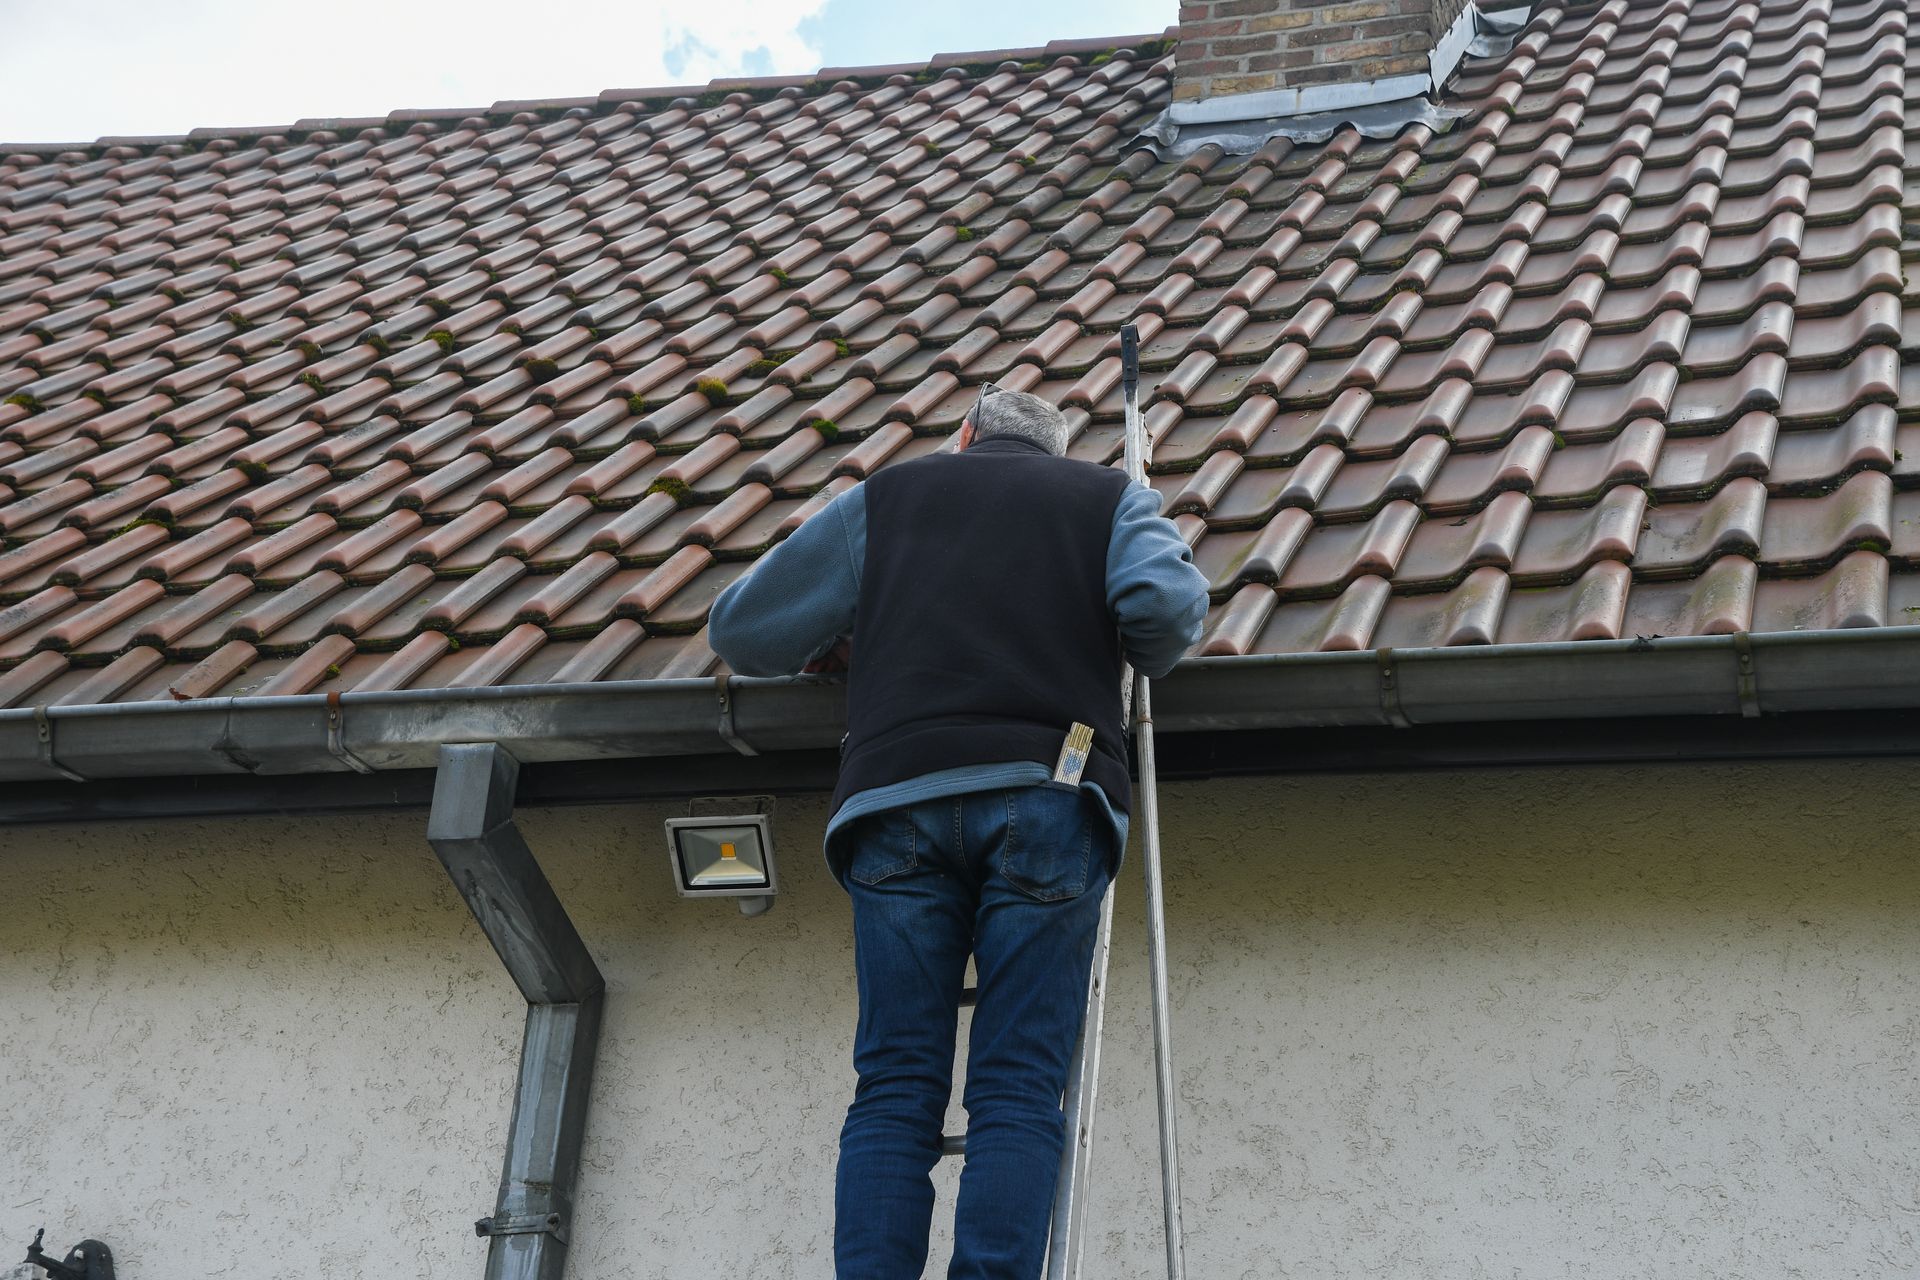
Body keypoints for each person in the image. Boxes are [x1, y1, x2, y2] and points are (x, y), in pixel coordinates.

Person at [707, 384, 1209, 1279]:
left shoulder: (890, 496)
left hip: (896, 800)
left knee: (896, 1088)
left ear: (965, 435)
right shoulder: (1108, 499)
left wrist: (853, 637)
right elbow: (1165, 614)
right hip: (1051, 789)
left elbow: (743, 632)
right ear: (1054, 455)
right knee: (1017, 1089)